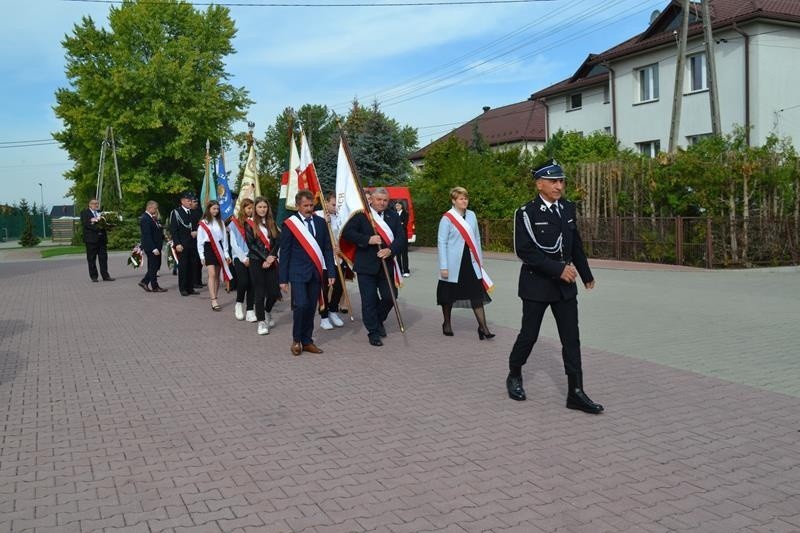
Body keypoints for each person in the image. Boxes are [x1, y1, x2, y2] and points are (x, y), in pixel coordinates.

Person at [506, 160, 603, 414]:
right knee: (529, 335)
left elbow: (575, 243)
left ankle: (576, 392)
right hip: (537, 284)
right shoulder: (526, 213)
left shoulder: (568, 208)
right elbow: (525, 251)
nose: (559, 186)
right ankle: (514, 373)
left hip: (565, 286)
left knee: (572, 339)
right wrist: (558, 269)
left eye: (561, 181)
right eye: (553, 181)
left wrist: (585, 273)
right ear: (539, 184)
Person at [341, 187, 407, 347]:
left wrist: (390, 250)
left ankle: (378, 320)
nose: (382, 203)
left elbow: (401, 237)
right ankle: (373, 331)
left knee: (390, 297)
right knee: (369, 300)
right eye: (379, 200)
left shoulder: (392, 216)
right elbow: (347, 233)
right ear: (371, 200)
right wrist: (367, 239)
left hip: (387, 264)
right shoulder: (361, 216)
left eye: (385, 200)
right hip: (366, 265)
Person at [279, 190, 336, 355]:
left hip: (316, 272)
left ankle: (307, 340)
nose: (309, 208)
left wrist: (331, 272)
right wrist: (282, 279)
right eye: (305, 205)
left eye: (311, 205)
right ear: (298, 206)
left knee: (311, 307)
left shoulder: (320, 222)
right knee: (301, 305)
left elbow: (326, 248)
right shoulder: (290, 224)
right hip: (297, 273)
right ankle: (296, 340)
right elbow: (286, 252)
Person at [437, 187, 494, 338]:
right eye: (461, 199)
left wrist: (480, 260)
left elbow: (476, 238)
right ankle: (447, 323)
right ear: (453, 201)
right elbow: (442, 242)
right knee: (448, 296)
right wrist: (443, 266)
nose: (464, 201)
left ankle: (483, 328)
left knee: (476, 294)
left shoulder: (472, 215)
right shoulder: (447, 218)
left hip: (471, 262)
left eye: (466, 198)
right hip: (452, 264)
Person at [246, 197, 282, 335]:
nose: (262, 209)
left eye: (265, 207)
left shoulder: (271, 223)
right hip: (256, 261)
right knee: (260, 292)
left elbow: (277, 241)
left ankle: (267, 312)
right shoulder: (249, 224)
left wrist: (272, 256)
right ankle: (261, 322)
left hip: (271, 260)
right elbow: (251, 245)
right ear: (255, 208)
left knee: (274, 292)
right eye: (260, 207)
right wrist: (265, 258)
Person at [316, 192, 346, 330]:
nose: (336, 207)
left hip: (338, 256)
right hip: (324, 257)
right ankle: (324, 316)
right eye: (333, 205)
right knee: (324, 288)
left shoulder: (340, 217)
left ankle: (333, 311)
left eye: (337, 205)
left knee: (339, 287)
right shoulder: (317, 216)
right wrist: (324, 223)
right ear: (326, 202)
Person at [196, 200, 231, 312]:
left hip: (219, 248)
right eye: (213, 209)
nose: (216, 211)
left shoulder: (221, 222)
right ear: (209, 209)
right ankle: (213, 300)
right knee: (211, 274)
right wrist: (201, 256)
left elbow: (225, 239)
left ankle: (215, 296)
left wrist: (226, 254)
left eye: (217, 209)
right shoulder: (203, 223)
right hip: (208, 248)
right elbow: (200, 241)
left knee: (216, 275)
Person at [169, 192, 200, 296]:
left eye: (191, 200)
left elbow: (197, 226)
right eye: (188, 200)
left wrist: (197, 232)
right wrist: (177, 243)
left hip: (192, 244)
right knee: (183, 267)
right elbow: (174, 229)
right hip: (182, 244)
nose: (190, 202)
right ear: (182, 201)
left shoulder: (193, 212)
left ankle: (190, 287)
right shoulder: (176, 212)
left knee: (192, 266)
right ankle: (183, 288)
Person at [229, 198, 255, 321]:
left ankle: (250, 310)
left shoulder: (255, 222)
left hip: (253, 256)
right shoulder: (234, 224)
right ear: (243, 208)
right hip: (239, 256)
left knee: (252, 283)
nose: (251, 210)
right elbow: (233, 244)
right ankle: (239, 303)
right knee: (244, 281)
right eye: (248, 208)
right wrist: (243, 258)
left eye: (252, 208)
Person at [80, 198, 114, 282]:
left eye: (97, 204)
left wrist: (109, 226)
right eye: (94, 204)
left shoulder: (100, 213)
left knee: (103, 258)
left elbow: (105, 223)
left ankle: (105, 276)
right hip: (91, 240)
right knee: (91, 258)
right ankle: (94, 276)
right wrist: (98, 227)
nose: (96, 205)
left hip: (101, 239)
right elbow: (86, 224)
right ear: (90, 205)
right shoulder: (85, 213)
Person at [138, 200, 167, 293]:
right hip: (151, 247)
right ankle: (147, 282)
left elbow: (156, 232)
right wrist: (153, 248)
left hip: (156, 245)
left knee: (154, 266)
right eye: (155, 208)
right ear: (149, 207)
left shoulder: (152, 218)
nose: (156, 210)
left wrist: (165, 237)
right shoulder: (145, 218)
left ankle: (152, 285)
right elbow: (147, 235)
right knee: (154, 266)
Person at [190, 196, 204, 289]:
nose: (196, 203)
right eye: (194, 201)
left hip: (200, 238)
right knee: (194, 263)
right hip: (193, 239)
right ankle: (194, 281)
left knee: (199, 263)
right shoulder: (189, 213)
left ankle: (199, 281)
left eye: (196, 201)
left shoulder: (199, 212)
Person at [394, 201, 411, 277]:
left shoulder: (405, 213)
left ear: (402, 206)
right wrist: (400, 223)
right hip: (396, 236)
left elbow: (405, 224)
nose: (397, 207)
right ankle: (399, 270)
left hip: (403, 236)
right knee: (397, 255)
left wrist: (399, 224)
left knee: (404, 254)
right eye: (396, 206)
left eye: (398, 205)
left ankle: (406, 270)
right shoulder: (394, 214)